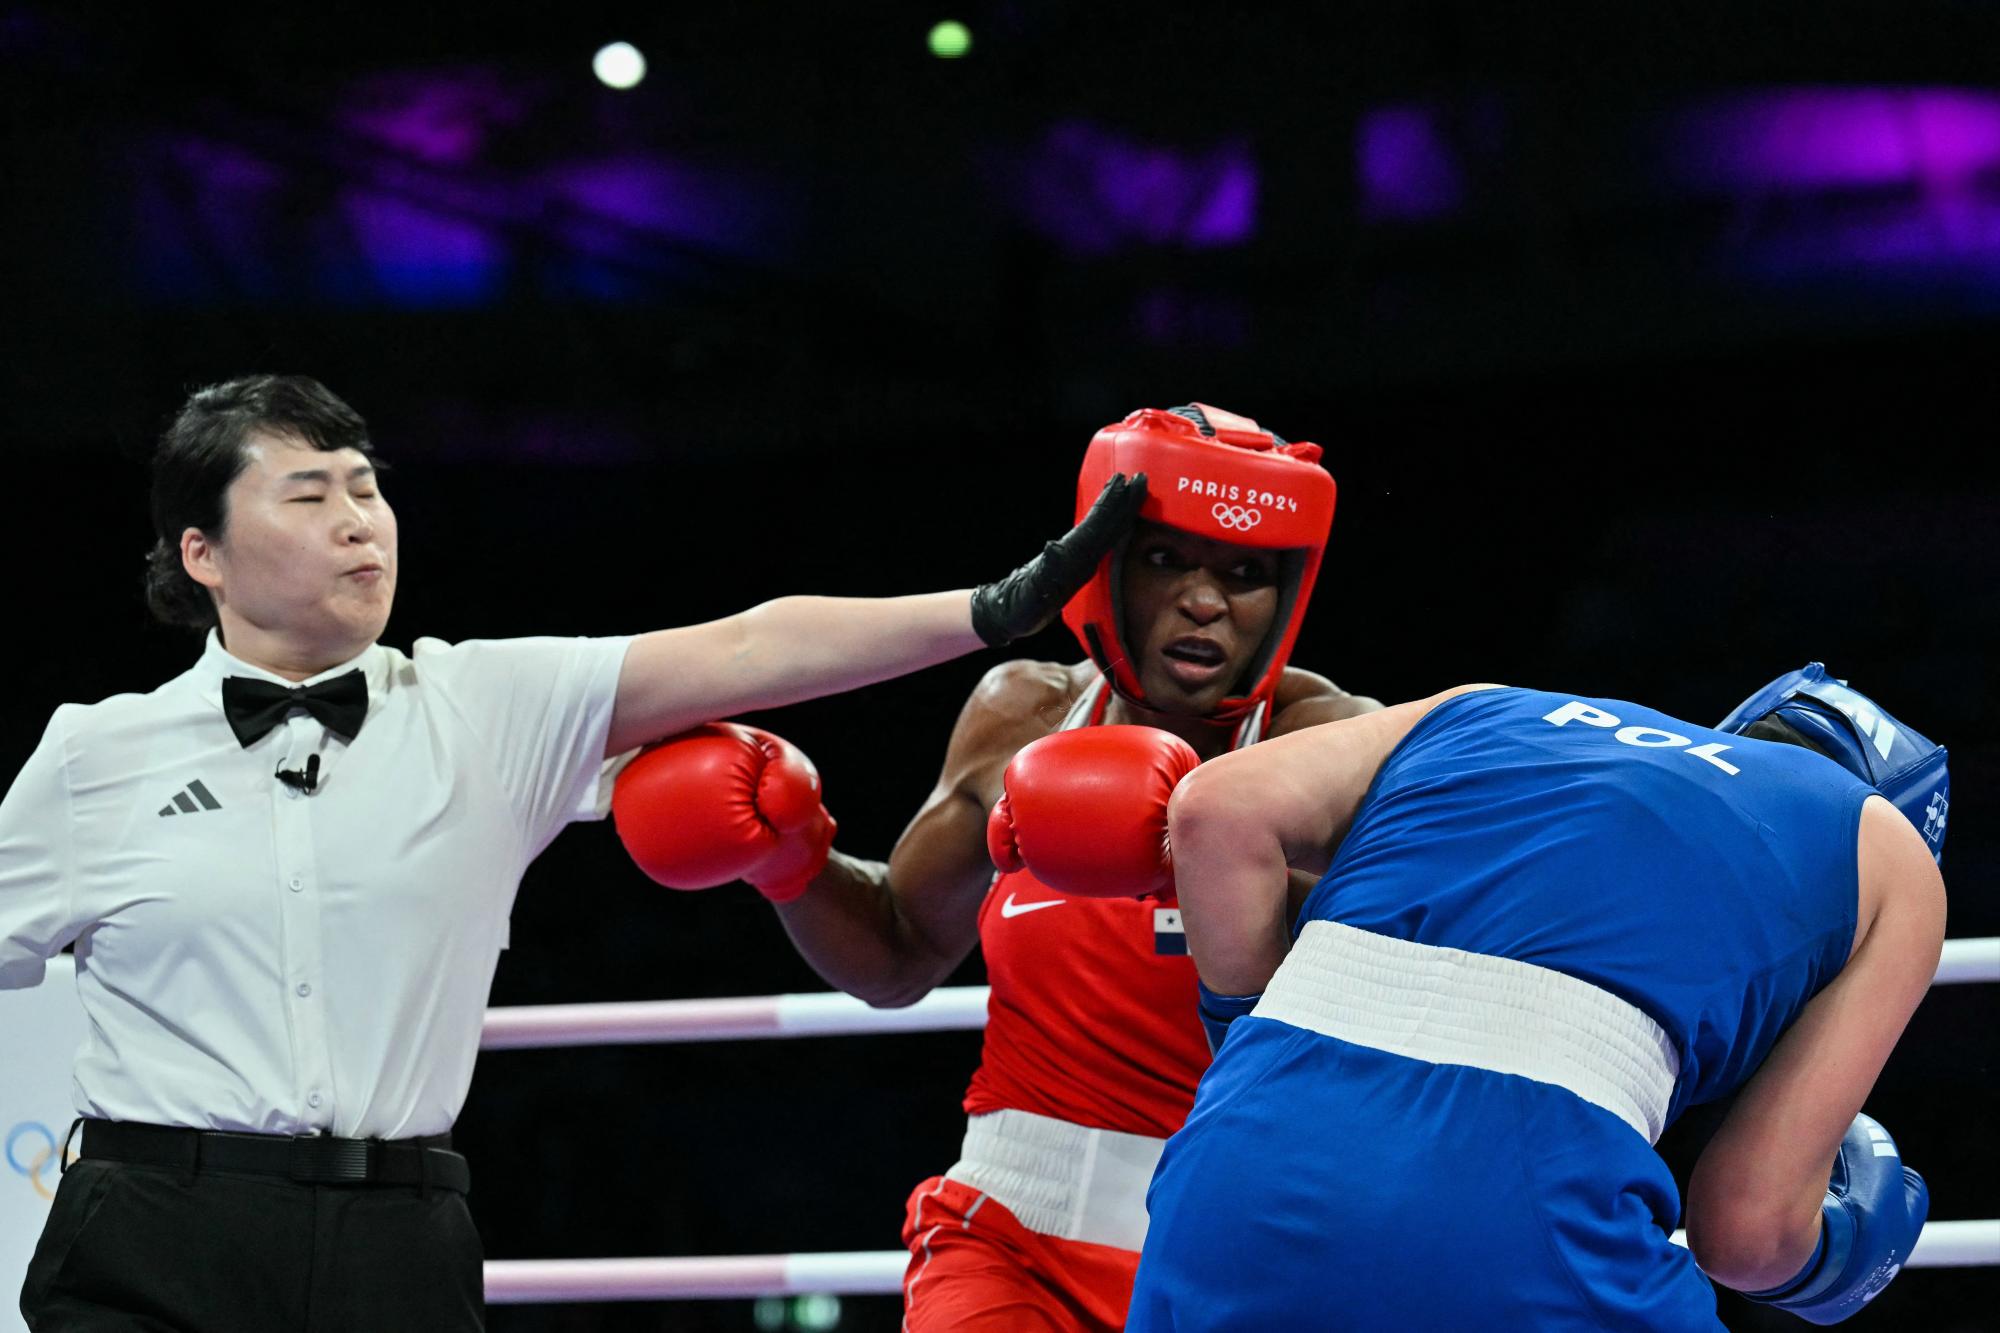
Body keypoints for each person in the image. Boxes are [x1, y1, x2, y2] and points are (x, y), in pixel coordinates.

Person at [0, 373, 1144, 1332]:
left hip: (395, 1237)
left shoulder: (484, 705)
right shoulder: (94, 756)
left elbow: (752, 644)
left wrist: (991, 608)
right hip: (150, 1227)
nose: (359, 517)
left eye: (367, 486)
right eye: (309, 493)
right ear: (202, 552)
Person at [613, 403, 1381, 1331]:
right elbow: (899, 950)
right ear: (1106, 569)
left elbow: (1386, 995)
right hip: (1011, 1238)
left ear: (1285, 597)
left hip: (1237, 1246)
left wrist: (1183, 860)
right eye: (1167, 559)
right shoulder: (1022, 713)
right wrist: (787, 858)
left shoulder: (1327, 750)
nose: (1206, 601)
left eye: (1245, 573)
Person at [999, 666, 1947, 1329]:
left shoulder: (1487, 706)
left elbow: (1212, 811)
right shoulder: (1887, 852)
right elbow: (1747, 1236)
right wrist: (1836, 1252)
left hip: (1224, 1184)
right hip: (1520, 1208)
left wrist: (1249, 1043)